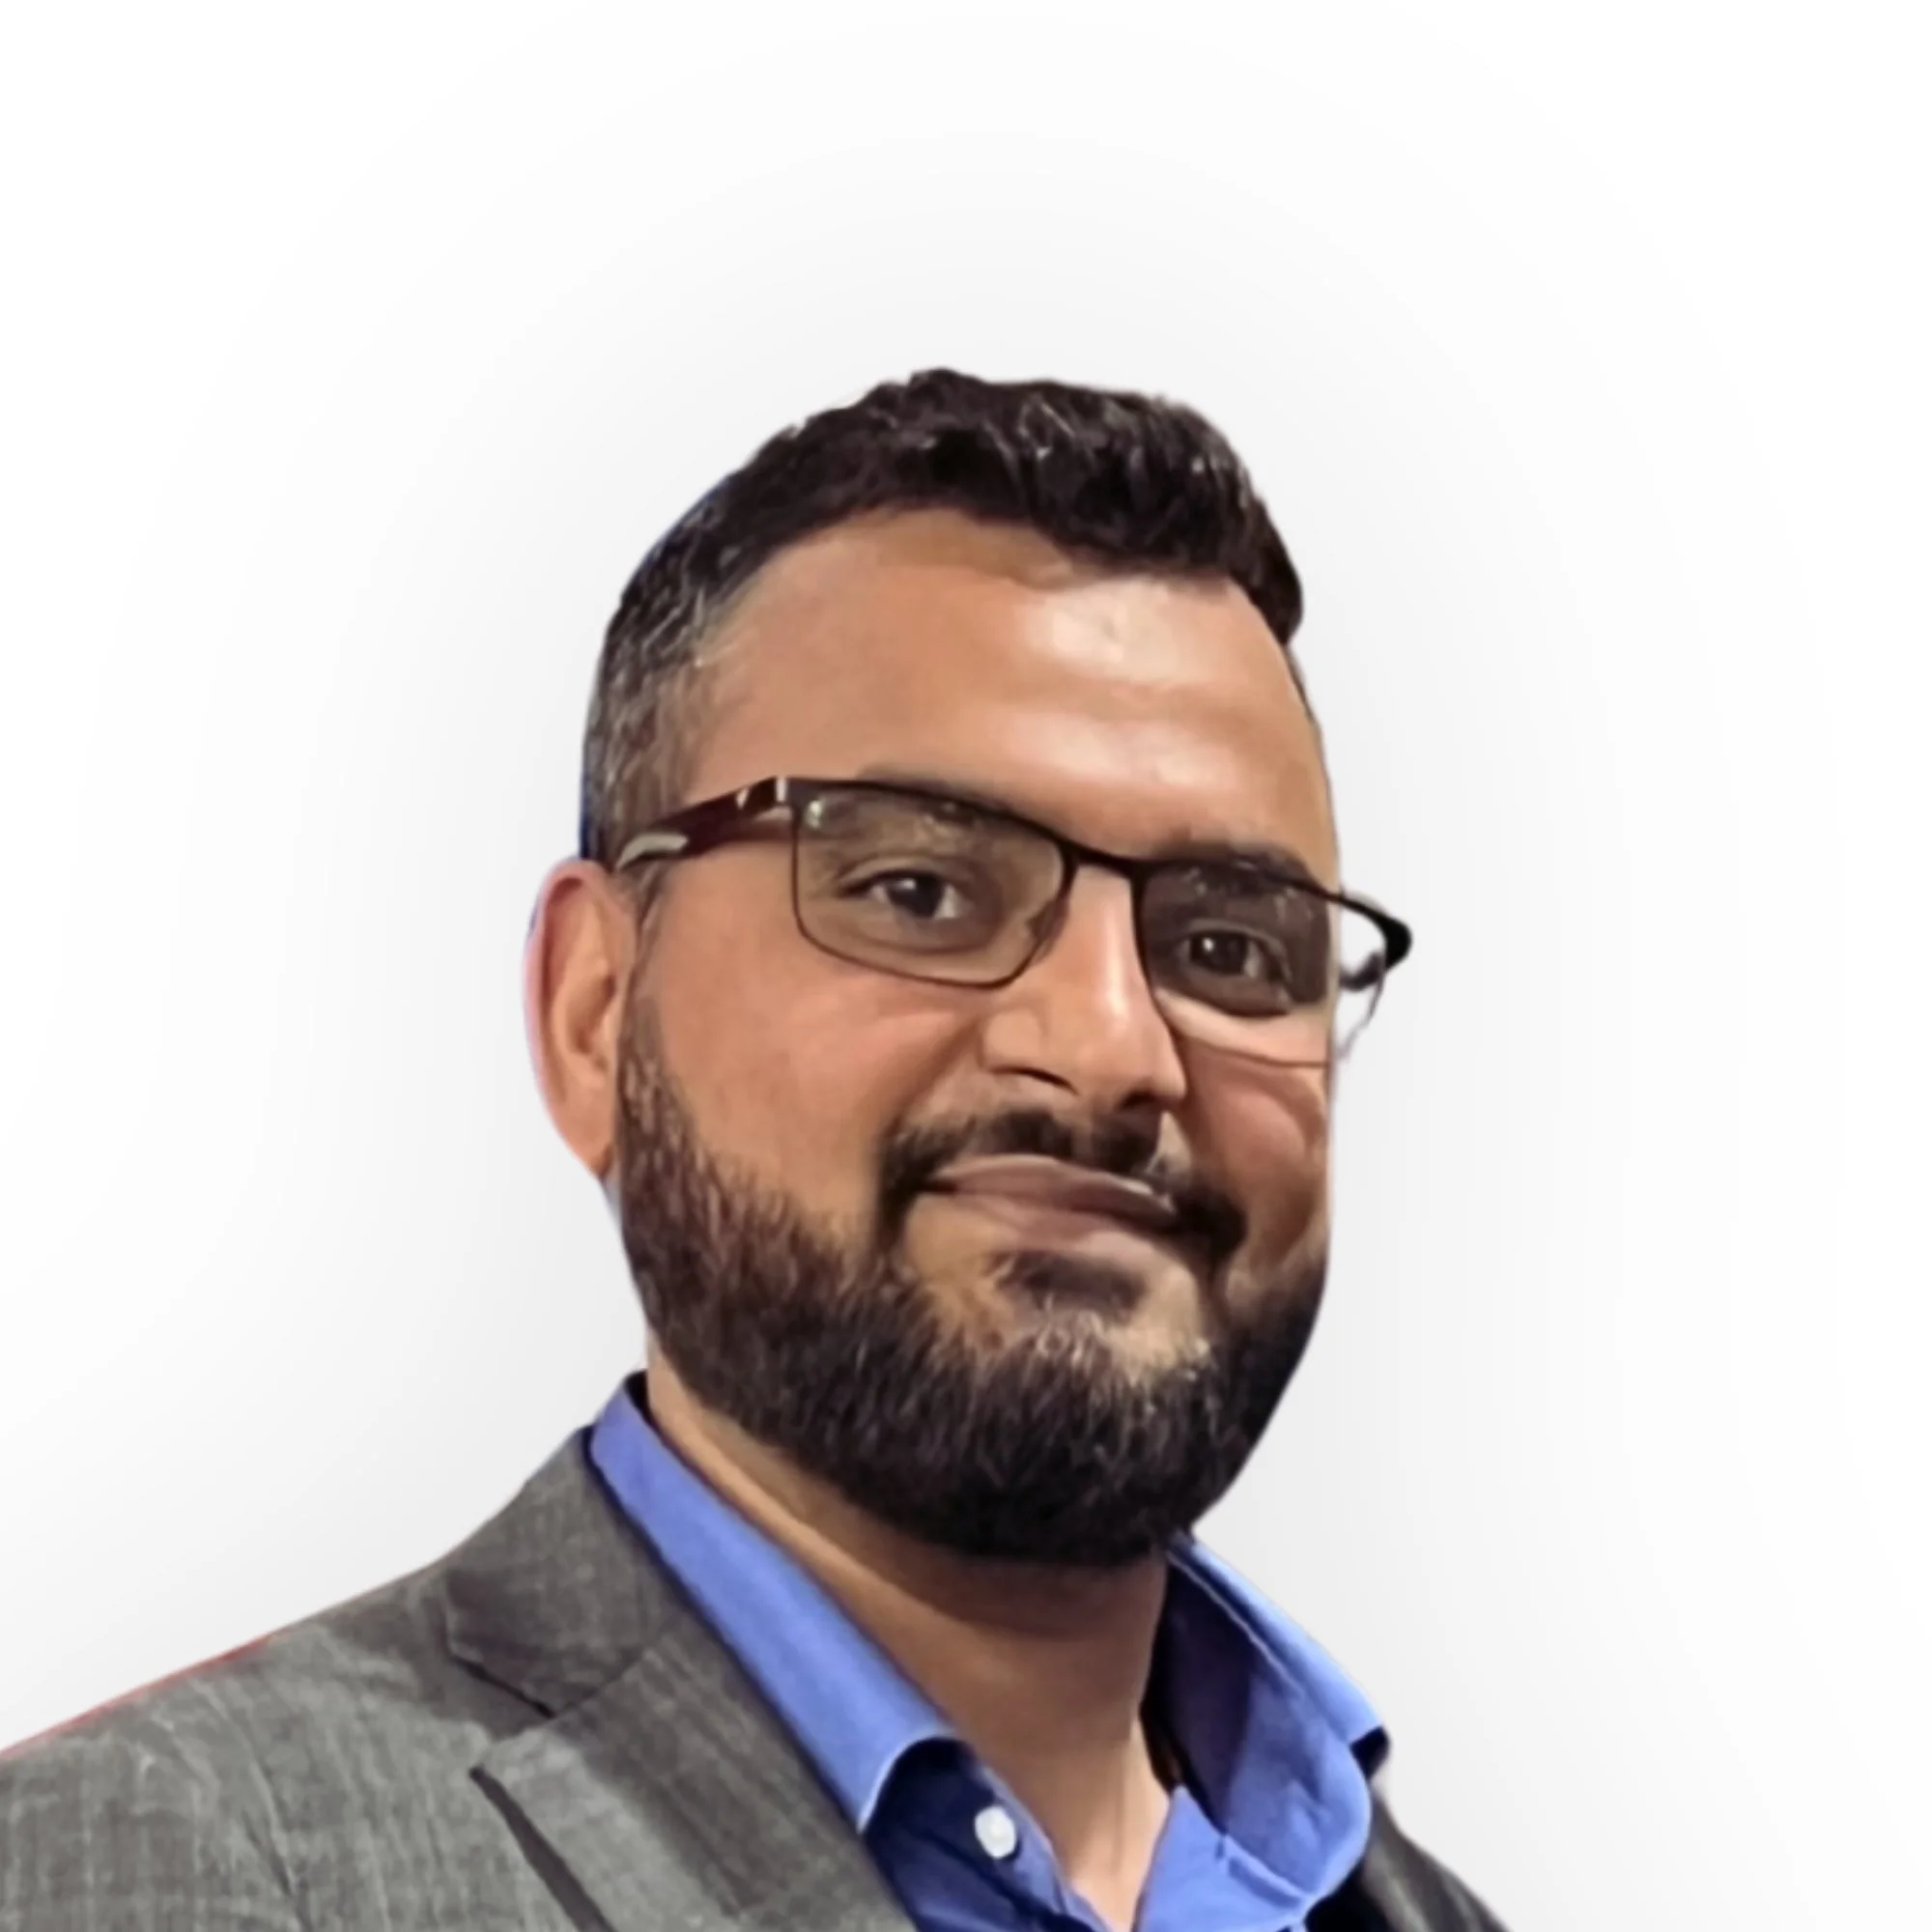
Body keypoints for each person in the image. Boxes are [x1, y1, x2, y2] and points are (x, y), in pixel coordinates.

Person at [0, 370, 1508, 1932]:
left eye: (1227, 946)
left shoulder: (1417, 1909)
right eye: (922, 891)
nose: (1114, 1047)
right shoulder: (160, 1875)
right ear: (597, 1014)